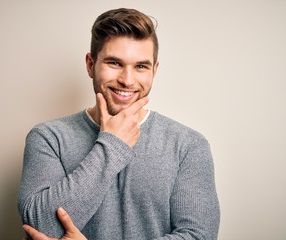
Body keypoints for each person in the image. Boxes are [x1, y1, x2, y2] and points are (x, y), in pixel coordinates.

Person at [18, 8, 220, 240]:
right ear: (90, 64)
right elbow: (40, 227)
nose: (127, 80)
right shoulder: (48, 138)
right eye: (114, 63)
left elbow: (199, 236)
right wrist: (112, 144)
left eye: (141, 66)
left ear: (154, 71)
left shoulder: (188, 145)